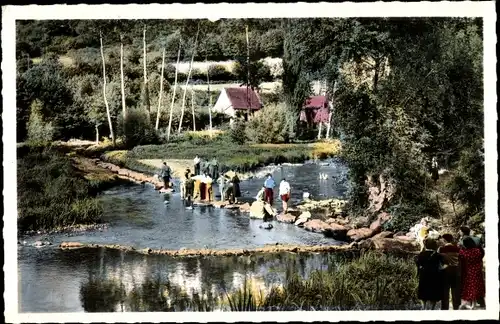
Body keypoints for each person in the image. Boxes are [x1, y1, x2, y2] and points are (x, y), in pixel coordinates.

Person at [415, 238, 445, 310]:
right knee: (433, 291)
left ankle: (424, 307)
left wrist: (418, 273)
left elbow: (418, 264)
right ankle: (432, 308)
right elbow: (443, 265)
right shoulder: (438, 255)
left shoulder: (421, 254)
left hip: (424, 274)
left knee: (423, 290)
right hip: (435, 275)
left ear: (426, 245)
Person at [459, 237, 486, 309]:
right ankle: (475, 304)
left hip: (469, 271)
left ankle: (472, 305)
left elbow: (461, 257)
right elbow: (481, 256)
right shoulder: (477, 250)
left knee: (471, 286)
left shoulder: (464, 252)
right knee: (477, 286)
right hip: (478, 271)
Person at [438, 234, 461, 310]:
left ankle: (445, 309)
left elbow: (439, 261)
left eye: (441, 239)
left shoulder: (441, 249)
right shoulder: (458, 249)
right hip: (456, 271)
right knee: (455, 291)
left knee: (445, 292)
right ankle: (456, 308)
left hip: (445, 271)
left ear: (444, 240)